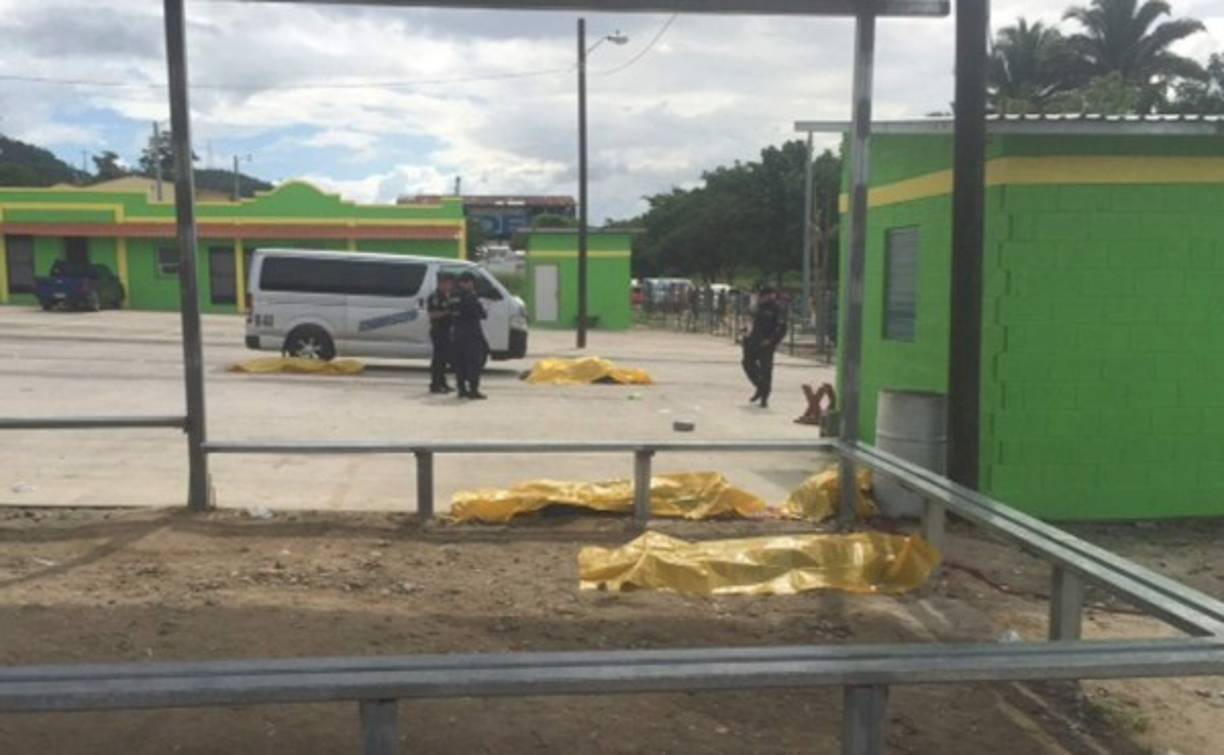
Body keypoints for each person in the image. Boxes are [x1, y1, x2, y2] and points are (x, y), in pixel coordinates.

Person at [742, 285, 787, 408]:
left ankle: (764, 397)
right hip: (751, 341)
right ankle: (760, 386)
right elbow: (749, 322)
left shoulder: (777, 309)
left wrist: (771, 341)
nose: (762, 298)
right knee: (747, 364)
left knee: (766, 370)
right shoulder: (756, 307)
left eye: (765, 295)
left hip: (767, 344)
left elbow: (781, 328)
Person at [453, 271, 489, 400]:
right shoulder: (470, 296)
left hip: (457, 333)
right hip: (471, 333)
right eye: (471, 283)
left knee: (460, 362)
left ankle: (461, 389)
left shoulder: (454, 295)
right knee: (473, 362)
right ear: (468, 283)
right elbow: (480, 314)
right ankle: (473, 390)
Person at [426, 272, 457, 394]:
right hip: (438, 330)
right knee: (438, 359)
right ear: (442, 283)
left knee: (444, 359)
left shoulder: (448, 296)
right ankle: (435, 384)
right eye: (448, 283)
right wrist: (447, 313)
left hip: (446, 330)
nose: (450, 286)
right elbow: (432, 314)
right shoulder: (435, 296)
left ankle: (443, 383)